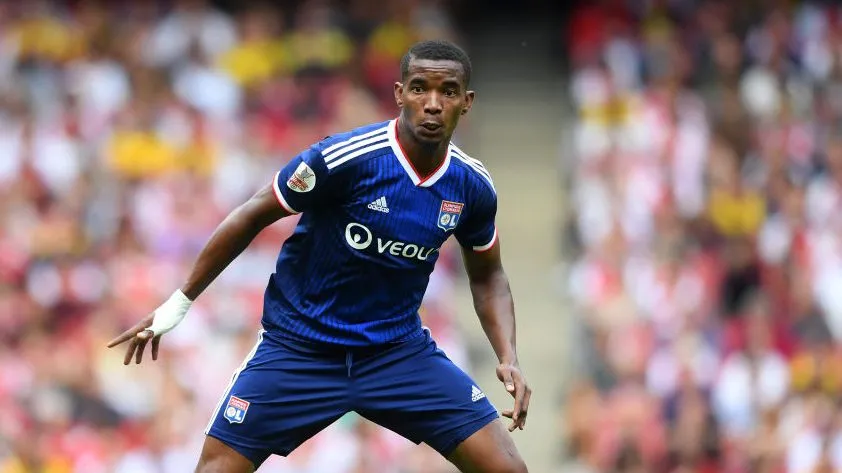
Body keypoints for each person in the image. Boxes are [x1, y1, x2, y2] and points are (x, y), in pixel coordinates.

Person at [108, 39, 530, 473]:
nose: (433, 104)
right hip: (300, 349)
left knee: (508, 469)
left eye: (448, 92)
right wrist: (179, 303)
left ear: (467, 101)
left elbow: (487, 275)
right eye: (420, 88)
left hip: (396, 353)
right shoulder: (345, 158)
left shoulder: (471, 186)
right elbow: (253, 214)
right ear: (400, 93)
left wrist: (508, 355)